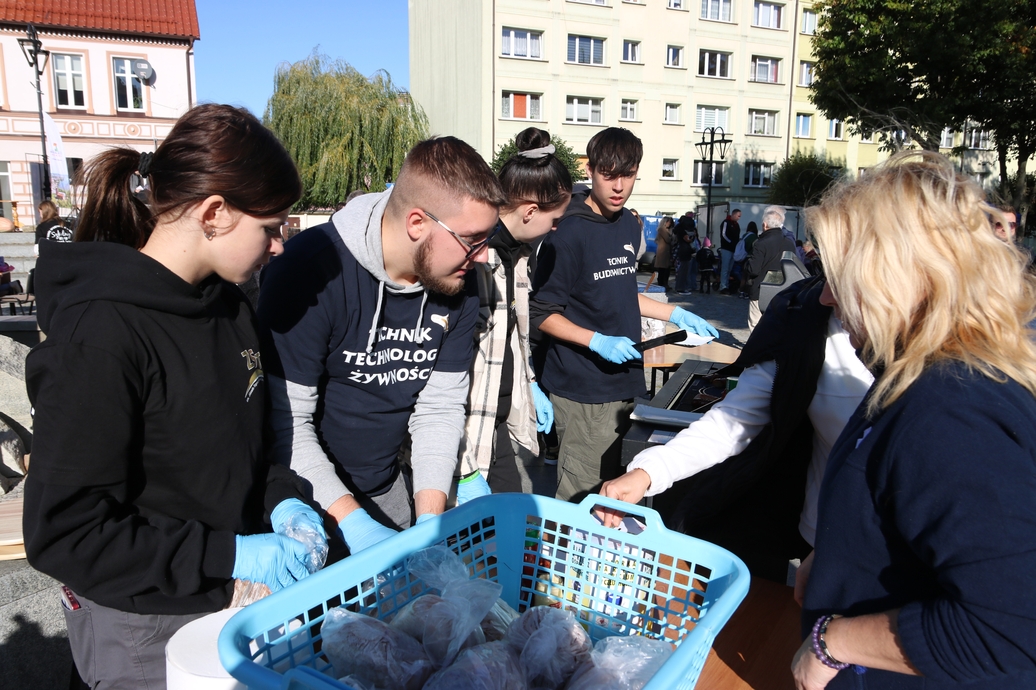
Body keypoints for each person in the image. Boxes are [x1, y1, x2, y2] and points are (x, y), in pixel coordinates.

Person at [22, 104, 325, 689]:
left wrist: (283, 500)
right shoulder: (100, 335)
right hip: (143, 623)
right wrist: (232, 555)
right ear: (214, 214)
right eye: (270, 228)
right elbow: (65, 532)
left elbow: (244, 445)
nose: (279, 246)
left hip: (222, 596)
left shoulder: (229, 306)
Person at [792, 152, 1036, 689]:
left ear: (894, 278)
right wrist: (834, 555)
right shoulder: (927, 376)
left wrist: (835, 643)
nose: (826, 296)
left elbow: (1013, 626)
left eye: (838, 276)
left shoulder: (953, 411)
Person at [257, 136, 504, 556]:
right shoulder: (308, 272)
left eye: (488, 237)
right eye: (472, 239)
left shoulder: (458, 280)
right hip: (309, 506)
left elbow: (439, 407)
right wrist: (354, 524)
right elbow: (287, 424)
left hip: (389, 489)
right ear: (417, 223)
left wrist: (430, 522)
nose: (482, 256)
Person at [598, 274, 873, 581]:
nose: (826, 296)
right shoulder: (805, 316)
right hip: (825, 530)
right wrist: (648, 472)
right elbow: (732, 422)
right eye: (829, 272)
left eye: (846, 274)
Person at [529, 127, 717, 503]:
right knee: (582, 498)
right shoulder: (567, 233)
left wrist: (675, 313)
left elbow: (619, 292)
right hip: (584, 388)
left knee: (615, 494)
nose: (618, 186)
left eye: (627, 175)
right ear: (590, 171)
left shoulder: (628, 224)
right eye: (608, 175)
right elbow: (541, 313)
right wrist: (596, 341)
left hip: (625, 381)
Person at [458, 127, 572, 493]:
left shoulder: (518, 256)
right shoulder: (476, 259)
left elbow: (510, 335)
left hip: (497, 420)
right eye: (554, 220)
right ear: (530, 211)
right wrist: (462, 467)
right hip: (468, 429)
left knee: (511, 514)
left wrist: (530, 382)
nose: (555, 229)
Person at [745, 206, 796, 331]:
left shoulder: (761, 243)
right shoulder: (789, 243)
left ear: (764, 224)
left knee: (755, 323)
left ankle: (757, 344)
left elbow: (754, 270)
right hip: (783, 288)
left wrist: (747, 263)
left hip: (760, 288)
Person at [673, 212, 699, 294]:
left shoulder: (679, 229)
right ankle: (681, 288)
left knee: (683, 271)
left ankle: (680, 287)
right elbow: (688, 240)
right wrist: (693, 237)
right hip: (685, 251)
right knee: (684, 271)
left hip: (683, 251)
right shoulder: (683, 231)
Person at [718, 208, 741, 293]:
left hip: (733, 249)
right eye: (738, 216)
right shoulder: (726, 222)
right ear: (734, 214)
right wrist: (731, 242)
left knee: (729, 269)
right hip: (726, 248)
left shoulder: (736, 225)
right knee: (725, 268)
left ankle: (726, 285)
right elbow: (723, 234)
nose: (739, 218)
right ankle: (723, 286)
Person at [653, 216, 674, 291]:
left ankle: (665, 283)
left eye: (670, 222)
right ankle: (662, 284)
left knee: (667, 270)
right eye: (668, 222)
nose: (669, 223)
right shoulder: (662, 230)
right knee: (662, 270)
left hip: (667, 252)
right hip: (663, 253)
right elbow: (668, 239)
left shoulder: (668, 230)